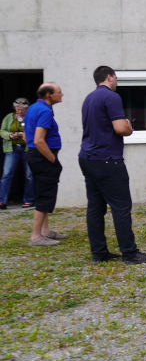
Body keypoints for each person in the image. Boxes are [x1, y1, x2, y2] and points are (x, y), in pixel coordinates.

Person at [78, 66, 146, 264]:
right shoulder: (112, 97)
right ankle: (129, 253)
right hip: (108, 158)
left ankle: (99, 252)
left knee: (95, 207)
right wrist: (129, 126)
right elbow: (120, 128)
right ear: (109, 77)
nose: (117, 81)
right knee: (121, 206)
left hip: (88, 157)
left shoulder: (88, 98)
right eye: (116, 77)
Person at [24, 83, 65, 247]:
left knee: (44, 191)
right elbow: (39, 140)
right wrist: (53, 160)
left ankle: (45, 231)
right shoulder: (45, 111)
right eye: (59, 92)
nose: (61, 95)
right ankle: (36, 236)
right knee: (45, 193)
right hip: (43, 157)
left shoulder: (33, 108)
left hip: (35, 156)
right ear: (48, 95)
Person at [0, 98, 35, 210]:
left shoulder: (31, 117)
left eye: (22, 109)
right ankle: (2, 201)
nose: (19, 111)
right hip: (12, 148)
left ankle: (28, 200)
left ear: (27, 109)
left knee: (29, 175)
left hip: (27, 149)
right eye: (17, 108)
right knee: (6, 174)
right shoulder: (9, 117)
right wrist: (10, 135)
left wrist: (25, 135)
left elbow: (37, 131)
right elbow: (2, 131)